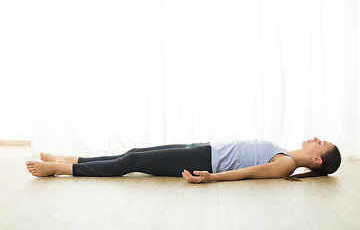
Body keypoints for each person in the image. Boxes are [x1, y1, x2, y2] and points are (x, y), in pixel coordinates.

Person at [25, 137, 341, 183]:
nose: (315, 136)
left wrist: (211, 177)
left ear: (316, 158)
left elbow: (247, 172)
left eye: (321, 142)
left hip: (203, 159)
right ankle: (73, 158)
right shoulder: (284, 151)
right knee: (132, 154)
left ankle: (59, 168)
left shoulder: (285, 164)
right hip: (201, 146)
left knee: (131, 163)